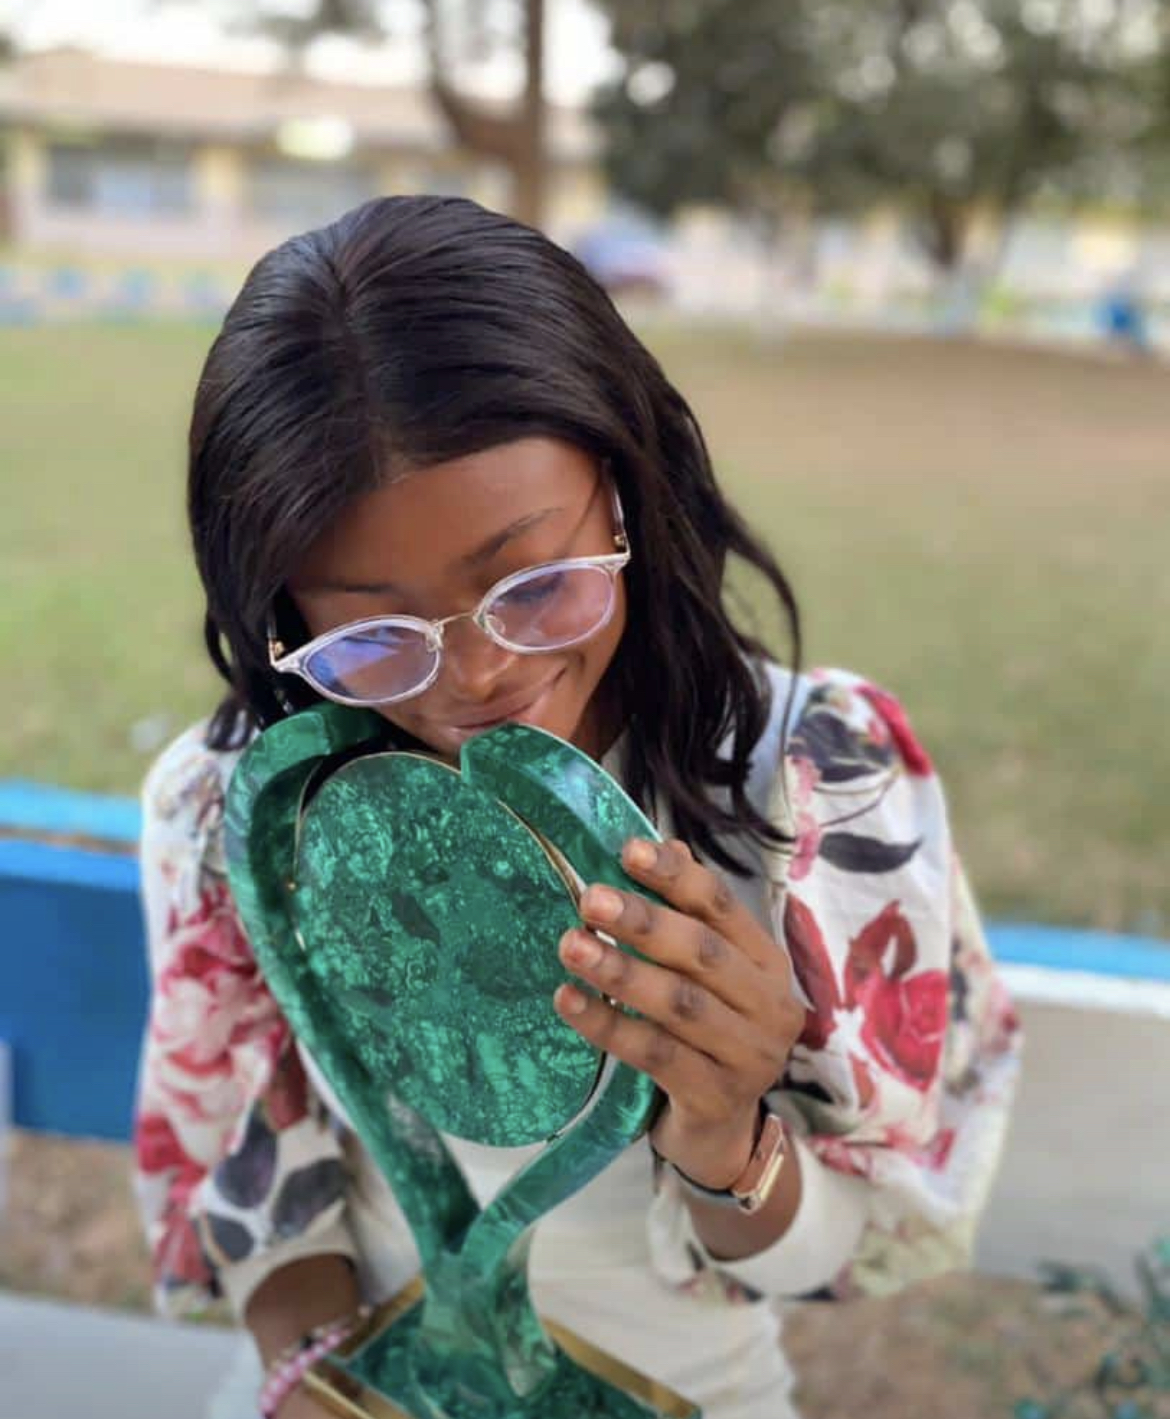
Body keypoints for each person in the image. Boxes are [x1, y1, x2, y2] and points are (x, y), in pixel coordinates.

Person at [133, 194, 1021, 1419]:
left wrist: (726, 1128)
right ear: (284, 614)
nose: (477, 675)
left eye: (533, 583)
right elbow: (259, 1189)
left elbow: (837, 1260)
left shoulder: (810, 793)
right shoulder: (241, 806)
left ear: (626, 490)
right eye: (374, 637)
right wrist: (319, 1383)